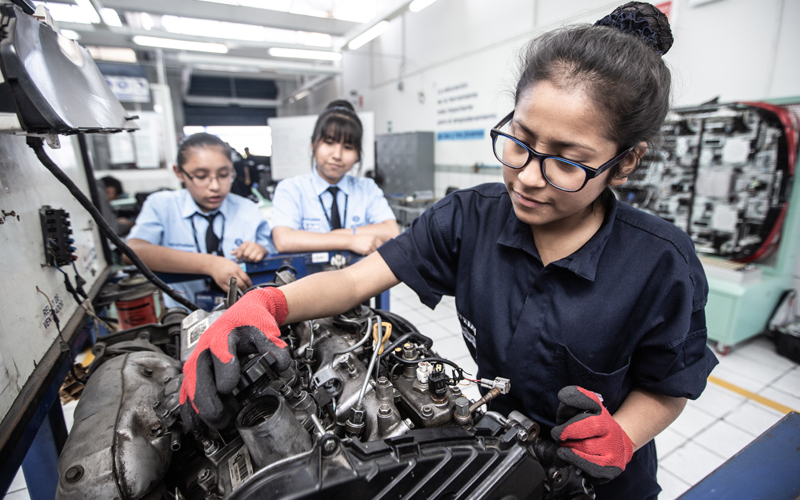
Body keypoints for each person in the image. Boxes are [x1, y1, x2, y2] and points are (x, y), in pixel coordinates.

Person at [179, 3, 718, 498]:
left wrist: (623, 434)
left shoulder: (660, 263)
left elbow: (668, 386)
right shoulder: (469, 217)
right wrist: (270, 304)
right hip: (500, 461)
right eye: (520, 141)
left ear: (625, 163)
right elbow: (353, 282)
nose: (528, 178)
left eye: (566, 161)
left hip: (602, 483)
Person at [127, 133, 273, 309]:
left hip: (239, 313)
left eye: (224, 174)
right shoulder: (162, 205)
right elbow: (133, 251)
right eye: (201, 176)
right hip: (183, 314)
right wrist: (210, 264)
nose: (215, 186)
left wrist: (260, 249)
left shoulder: (247, 209)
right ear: (179, 173)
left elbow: (270, 250)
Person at [270, 100, 399, 255]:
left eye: (348, 147)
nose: (337, 155)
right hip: (310, 278)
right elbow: (284, 240)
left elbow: (391, 231)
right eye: (329, 143)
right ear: (313, 144)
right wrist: (351, 240)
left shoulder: (367, 188)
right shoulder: (291, 189)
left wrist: (315, 238)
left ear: (358, 154)